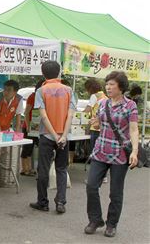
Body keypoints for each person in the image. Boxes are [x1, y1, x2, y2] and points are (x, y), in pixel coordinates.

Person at [84, 71, 140, 238]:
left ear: (121, 87)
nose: (108, 87)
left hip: (119, 154)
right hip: (100, 151)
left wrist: (135, 152)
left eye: (112, 84)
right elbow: (102, 121)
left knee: (115, 192)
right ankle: (95, 220)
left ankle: (111, 224)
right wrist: (96, 121)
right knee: (91, 186)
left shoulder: (130, 106)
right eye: (107, 84)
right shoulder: (103, 104)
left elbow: (133, 129)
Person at [30, 60, 76, 214]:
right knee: (61, 169)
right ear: (59, 72)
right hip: (64, 137)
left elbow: (43, 116)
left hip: (47, 136)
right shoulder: (69, 90)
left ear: (43, 73)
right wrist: (62, 135)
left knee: (43, 169)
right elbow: (70, 115)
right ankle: (61, 202)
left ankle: (42, 202)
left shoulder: (41, 91)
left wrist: (54, 136)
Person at [21, 79, 44, 176]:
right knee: (27, 148)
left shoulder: (44, 97)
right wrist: (28, 125)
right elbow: (26, 112)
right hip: (29, 126)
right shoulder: (32, 96)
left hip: (39, 128)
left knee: (34, 149)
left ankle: (30, 168)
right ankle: (24, 169)